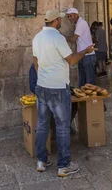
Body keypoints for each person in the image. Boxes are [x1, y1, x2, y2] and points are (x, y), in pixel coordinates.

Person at [32, 9, 94, 177]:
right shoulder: (57, 38)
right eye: (60, 19)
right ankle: (64, 165)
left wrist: (43, 78)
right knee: (62, 127)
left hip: (42, 87)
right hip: (58, 88)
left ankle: (41, 161)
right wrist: (85, 51)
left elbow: (35, 62)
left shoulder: (37, 37)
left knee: (43, 125)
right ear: (56, 21)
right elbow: (72, 60)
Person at [65, 8, 96, 86]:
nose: (69, 18)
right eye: (68, 17)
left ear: (76, 15)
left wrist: (62, 36)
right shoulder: (79, 24)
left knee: (89, 82)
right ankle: (84, 98)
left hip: (88, 56)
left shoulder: (81, 23)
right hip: (82, 55)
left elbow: (73, 39)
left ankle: (91, 98)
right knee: (82, 81)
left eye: (71, 16)